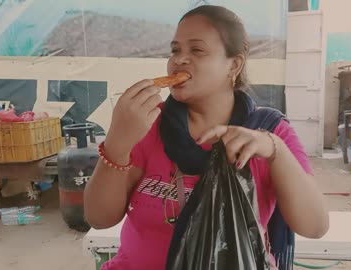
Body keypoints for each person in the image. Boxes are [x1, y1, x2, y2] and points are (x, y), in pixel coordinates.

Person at [84, 5, 329, 270]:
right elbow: (99, 218)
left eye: (196, 50)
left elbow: (314, 226)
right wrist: (117, 142)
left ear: (234, 64)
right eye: (175, 50)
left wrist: (274, 150)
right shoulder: (147, 123)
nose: (179, 60)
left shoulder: (269, 132)